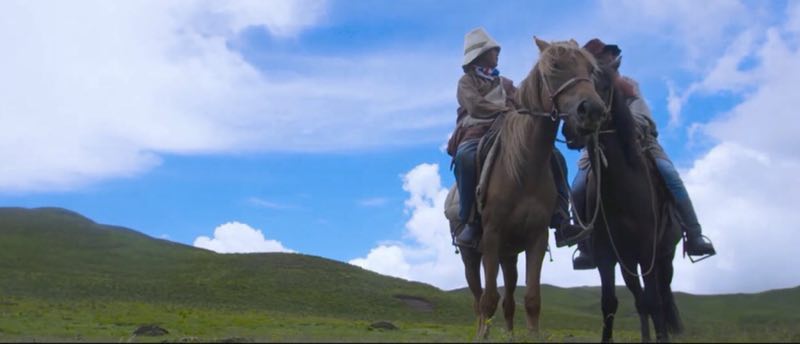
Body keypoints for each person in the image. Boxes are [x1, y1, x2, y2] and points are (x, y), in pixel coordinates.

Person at [570, 39, 717, 269]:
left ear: (612, 58)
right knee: (578, 187)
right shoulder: (588, 91)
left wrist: (627, 129)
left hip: (640, 143)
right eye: (599, 57)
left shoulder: (628, 84)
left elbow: (643, 118)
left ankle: (694, 234)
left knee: (669, 175)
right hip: (597, 147)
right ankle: (585, 245)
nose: (604, 59)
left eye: (606, 55)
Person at [448, 27, 587, 248]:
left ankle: (560, 218)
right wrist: (504, 110)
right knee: (465, 157)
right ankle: (470, 219)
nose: (497, 53)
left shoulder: (505, 83)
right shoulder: (467, 82)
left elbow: (521, 101)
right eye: (493, 50)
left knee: (555, 157)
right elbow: (474, 105)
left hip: (509, 131)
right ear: (480, 55)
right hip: (477, 130)